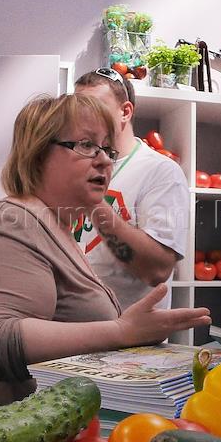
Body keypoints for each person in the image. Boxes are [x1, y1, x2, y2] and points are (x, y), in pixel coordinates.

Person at [0, 93, 210, 411]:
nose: (105, 161)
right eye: (86, 145)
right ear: (37, 153)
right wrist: (122, 331)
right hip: (10, 439)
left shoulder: (54, 227)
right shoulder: (8, 223)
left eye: (107, 149)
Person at [73, 68, 189, 310]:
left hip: (131, 332)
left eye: (95, 107)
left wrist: (93, 202)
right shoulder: (76, 165)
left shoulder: (161, 171)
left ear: (125, 112)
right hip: (73, 326)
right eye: (78, 109)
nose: (83, 118)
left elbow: (156, 270)